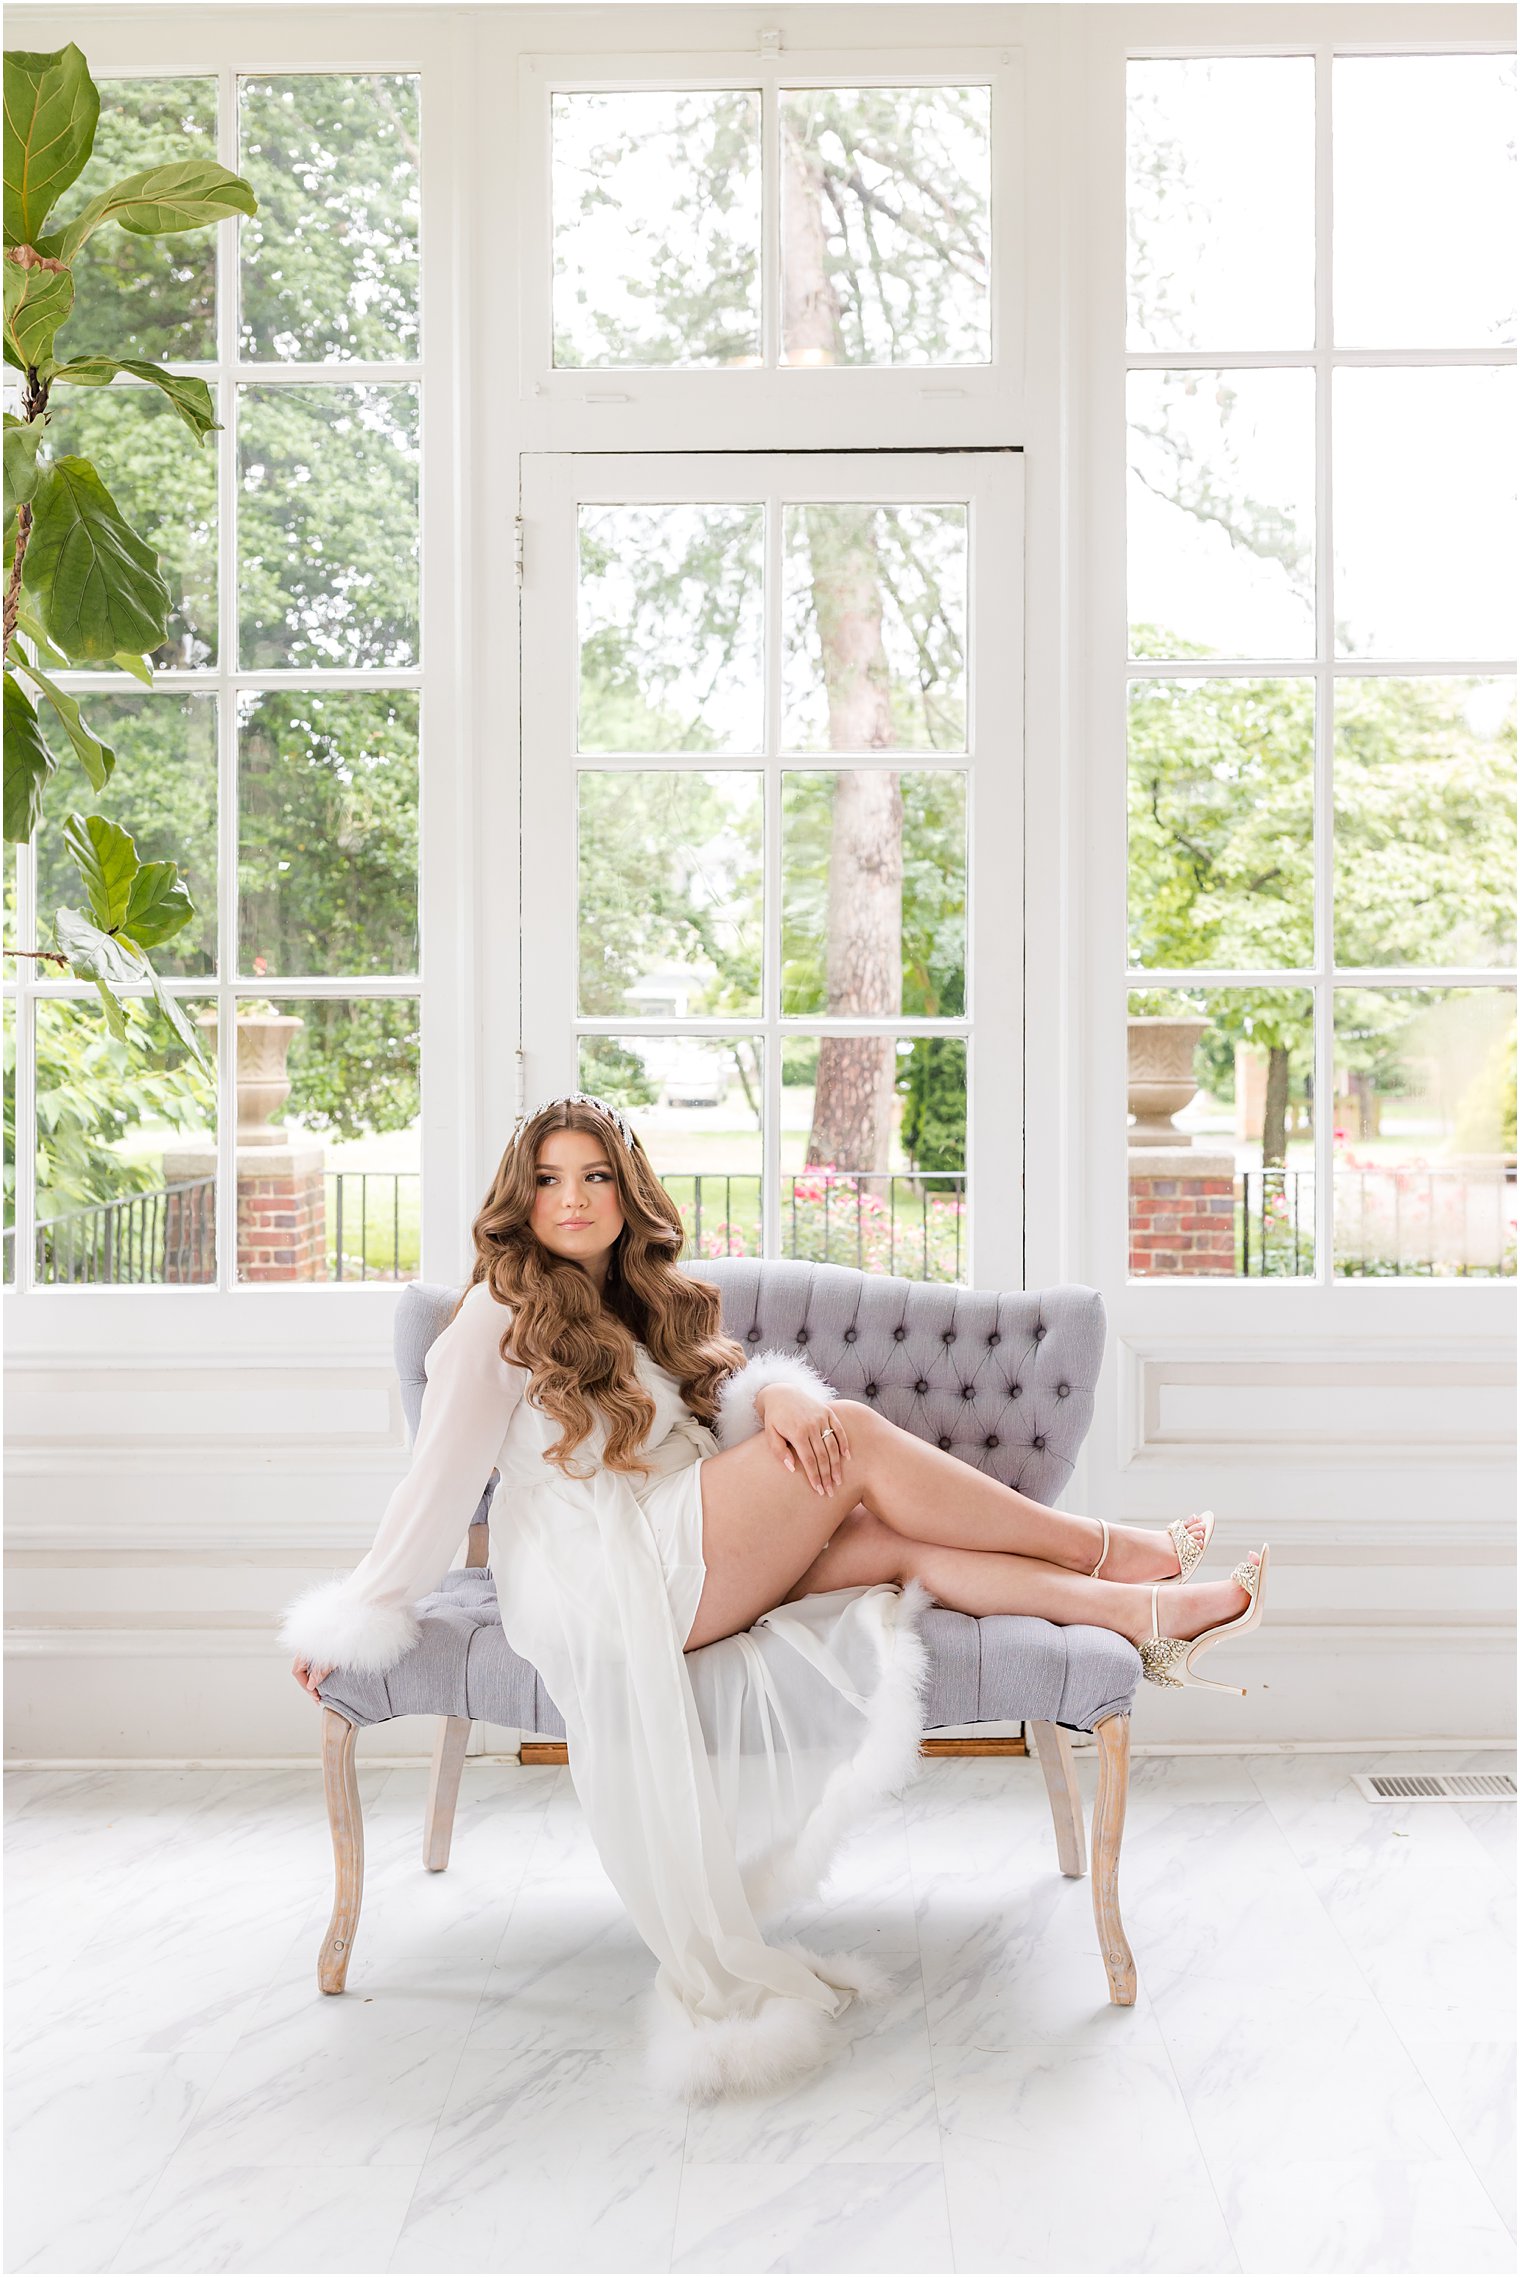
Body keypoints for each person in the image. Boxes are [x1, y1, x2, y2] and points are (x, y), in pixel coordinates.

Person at [281, 1092, 1269, 2096]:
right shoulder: (495, 1310)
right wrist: (363, 1611)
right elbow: (435, 1483)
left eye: (592, 1177)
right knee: (859, 1447)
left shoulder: (639, 1294)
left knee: (886, 1541)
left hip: (667, 1540)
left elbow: (718, 1410)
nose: (570, 1200)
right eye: (546, 1180)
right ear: (517, 1196)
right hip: (598, 1578)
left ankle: (1143, 1618)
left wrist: (781, 1391)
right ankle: (1113, 1549)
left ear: (627, 1194)